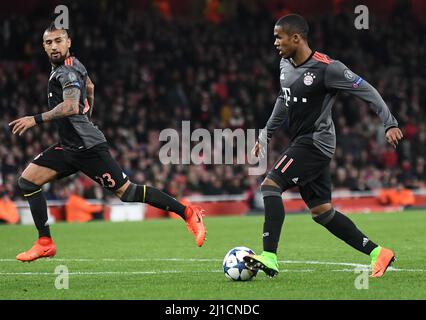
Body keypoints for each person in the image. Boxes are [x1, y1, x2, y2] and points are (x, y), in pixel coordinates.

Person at [9, 23, 206, 262]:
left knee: (128, 192)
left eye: (59, 41)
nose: (54, 46)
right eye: (49, 43)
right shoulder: (72, 65)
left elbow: (71, 106)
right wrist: (87, 116)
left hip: (88, 149)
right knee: (28, 181)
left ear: (69, 42)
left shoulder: (66, 72)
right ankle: (44, 242)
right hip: (69, 146)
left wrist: (35, 119)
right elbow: (90, 86)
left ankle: (187, 212)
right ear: (43, 46)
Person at [244, 14, 403, 278]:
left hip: (315, 142)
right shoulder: (285, 64)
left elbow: (368, 90)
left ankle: (269, 256)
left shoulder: (328, 68)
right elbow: (283, 101)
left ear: (296, 38)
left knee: (270, 185)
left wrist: (390, 123)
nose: (275, 42)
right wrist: (266, 134)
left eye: (278, 37)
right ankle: (379, 253)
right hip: (303, 141)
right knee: (321, 212)